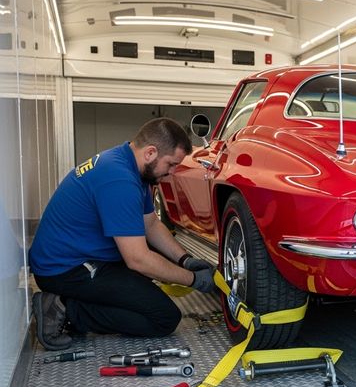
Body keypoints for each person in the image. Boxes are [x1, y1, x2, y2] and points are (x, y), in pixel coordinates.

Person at [29, 117, 217, 351]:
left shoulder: (131, 167)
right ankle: (64, 310)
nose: (172, 173)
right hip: (64, 269)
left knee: (157, 266)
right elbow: (137, 259)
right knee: (164, 318)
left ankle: (84, 303)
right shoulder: (120, 180)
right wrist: (193, 280)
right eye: (170, 164)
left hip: (82, 256)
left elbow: (151, 225)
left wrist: (185, 260)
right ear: (150, 153)